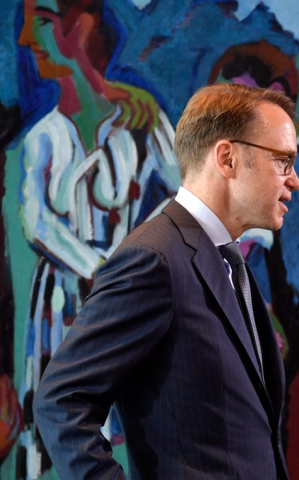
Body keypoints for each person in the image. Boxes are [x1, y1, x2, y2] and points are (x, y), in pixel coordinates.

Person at [33, 83, 299, 479]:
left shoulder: (228, 259)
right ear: (227, 158)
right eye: (284, 161)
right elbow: (60, 401)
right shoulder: (153, 260)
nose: (293, 181)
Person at [13, 0, 180, 473]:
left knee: (123, 419)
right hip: (61, 303)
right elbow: (38, 222)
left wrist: (138, 253)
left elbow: (188, 197)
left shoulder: (142, 124)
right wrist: (98, 269)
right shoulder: (44, 136)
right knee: (58, 415)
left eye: (42, 21)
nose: (27, 39)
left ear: (81, 26)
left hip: (125, 297)